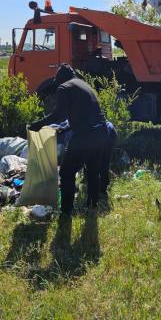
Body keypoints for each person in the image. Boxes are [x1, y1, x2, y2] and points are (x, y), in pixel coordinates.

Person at [29, 64, 107, 214]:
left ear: (60, 79)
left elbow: (60, 114)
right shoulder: (84, 85)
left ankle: (66, 212)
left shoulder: (64, 87)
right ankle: (92, 206)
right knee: (92, 171)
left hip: (86, 136)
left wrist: (39, 124)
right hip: (101, 133)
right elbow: (82, 115)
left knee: (66, 173)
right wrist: (64, 128)